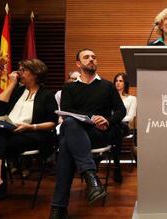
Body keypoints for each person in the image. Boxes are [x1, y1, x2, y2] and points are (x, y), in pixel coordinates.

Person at [0, 59, 58, 219]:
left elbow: (52, 123)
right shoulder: (16, 91)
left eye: (23, 70)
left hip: (32, 134)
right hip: (8, 132)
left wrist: (31, 127)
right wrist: (11, 84)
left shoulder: (46, 95)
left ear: (35, 74)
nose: (18, 73)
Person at [49, 48, 126, 218]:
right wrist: (91, 117)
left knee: (66, 144)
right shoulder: (69, 88)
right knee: (69, 126)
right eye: (86, 57)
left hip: (100, 134)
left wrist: (107, 120)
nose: (91, 59)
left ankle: (58, 207)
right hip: (78, 132)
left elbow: (121, 111)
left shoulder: (107, 86)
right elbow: (67, 111)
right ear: (78, 63)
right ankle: (91, 177)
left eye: (94, 57)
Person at [112, 72, 136, 183]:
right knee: (115, 129)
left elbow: (130, 117)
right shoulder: (109, 99)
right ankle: (116, 167)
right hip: (112, 126)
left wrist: (113, 119)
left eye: (120, 81)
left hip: (124, 126)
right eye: (116, 81)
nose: (118, 83)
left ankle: (111, 163)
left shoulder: (132, 99)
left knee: (117, 127)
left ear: (125, 83)